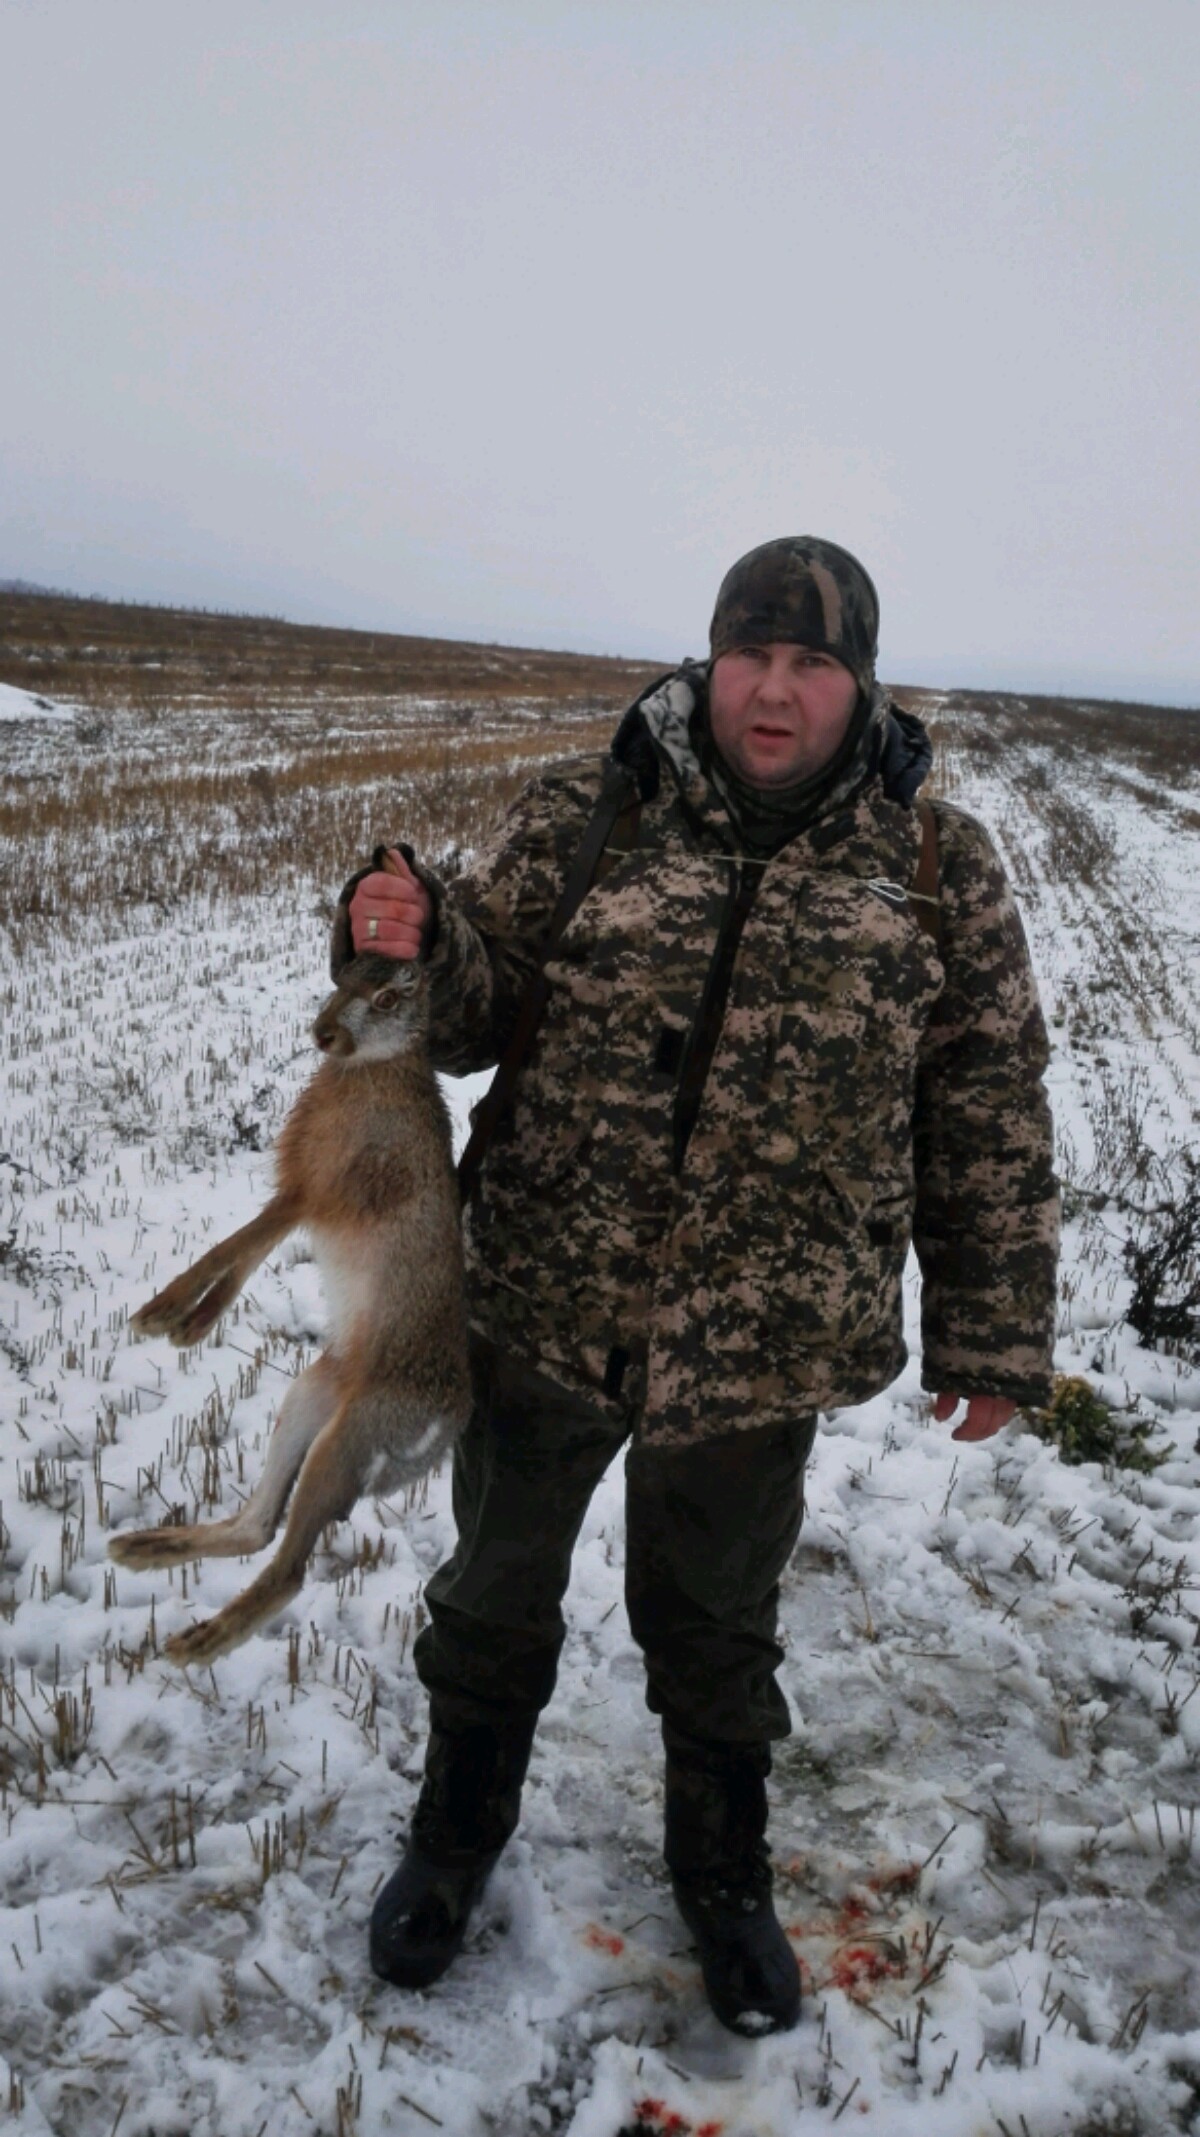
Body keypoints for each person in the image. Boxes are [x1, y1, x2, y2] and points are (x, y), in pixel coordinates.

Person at [331, 536, 1060, 2036]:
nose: (774, 692)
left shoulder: (936, 863)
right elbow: (472, 1011)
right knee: (492, 1593)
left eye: (813, 664)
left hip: (761, 1344)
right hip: (544, 1298)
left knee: (717, 1627)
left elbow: (986, 1099)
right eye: (751, 656)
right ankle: (454, 1836)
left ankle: (722, 1876)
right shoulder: (593, 809)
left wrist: (991, 1333)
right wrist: (411, 940)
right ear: (711, 659)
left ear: (863, 683)